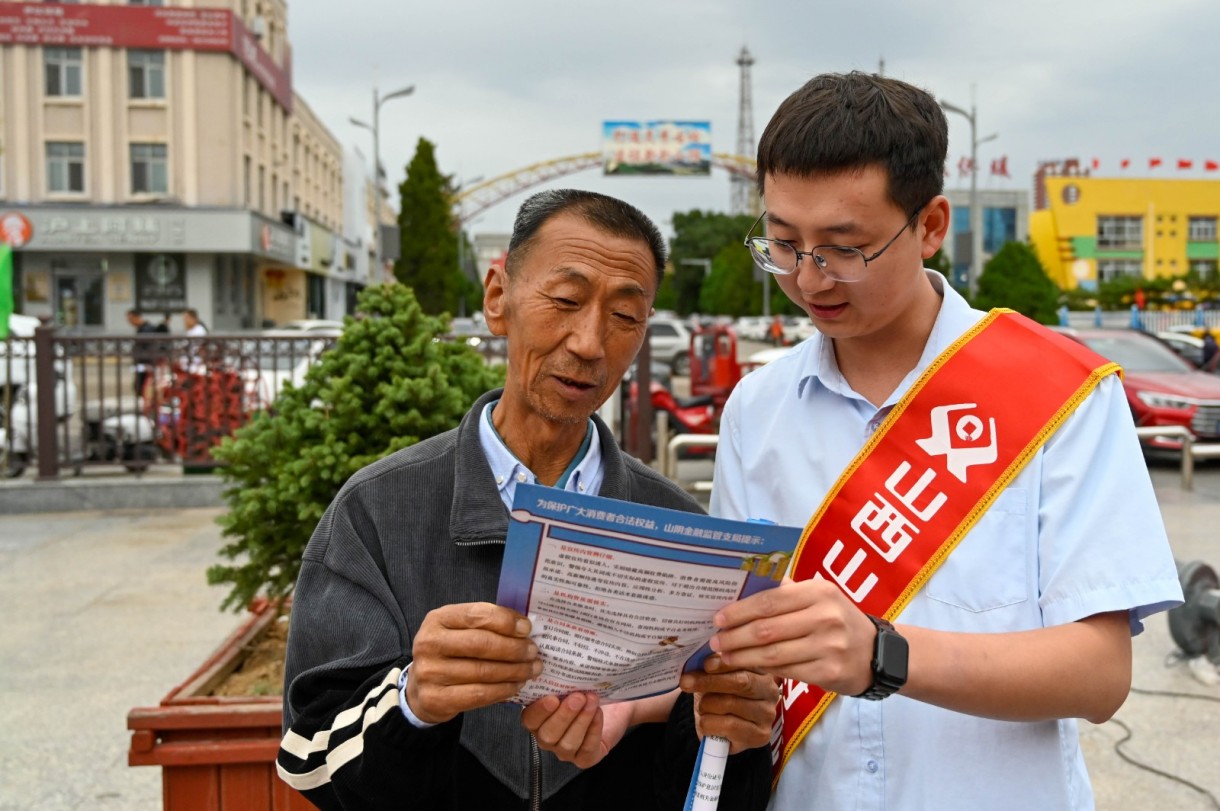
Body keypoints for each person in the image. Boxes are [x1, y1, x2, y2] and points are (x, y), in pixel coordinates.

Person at [707, 72, 1183, 811]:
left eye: (844, 248)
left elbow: (1098, 674)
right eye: (783, 243)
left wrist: (882, 654)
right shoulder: (756, 408)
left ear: (930, 225)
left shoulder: (1062, 393)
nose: (809, 279)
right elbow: (735, 646)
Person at [277, 189, 777, 809]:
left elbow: (713, 791)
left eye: (625, 316)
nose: (589, 343)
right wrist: (414, 701)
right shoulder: (376, 511)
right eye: (565, 300)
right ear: (498, 299)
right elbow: (308, 762)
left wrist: (738, 737)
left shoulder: (678, 528)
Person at [125, 309, 161, 397]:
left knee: (143, 386)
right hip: (142, 362)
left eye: (130, 319)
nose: (130, 322)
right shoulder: (142, 328)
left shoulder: (147, 329)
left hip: (145, 362)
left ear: (136, 317)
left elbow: (148, 347)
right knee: (140, 386)